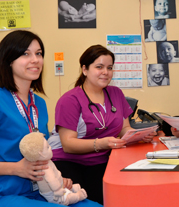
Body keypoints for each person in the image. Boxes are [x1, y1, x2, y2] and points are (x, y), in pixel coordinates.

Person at [0, 30, 101, 207]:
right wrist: (16, 168)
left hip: (39, 191)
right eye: (25, 54)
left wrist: (58, 178)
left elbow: (41, 154)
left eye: (39, 54)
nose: (35, 60)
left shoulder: (39, 103)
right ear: (8, 60)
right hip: (0, 194)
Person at [48, 45, 156, 205]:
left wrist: (138, 135)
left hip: (101, 159)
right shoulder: (69, 100)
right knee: (91, 202)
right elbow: (68, 144)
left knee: (126, 194)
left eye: (109, 68)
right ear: (84, 69)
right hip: (69, 162)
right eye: (99, 67)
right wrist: (101, 143)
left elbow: (124, 128)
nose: (105, 72)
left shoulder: (116, 93)